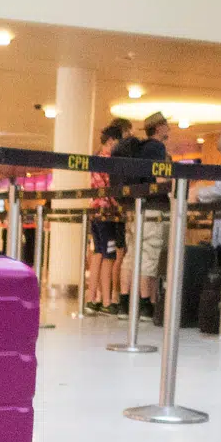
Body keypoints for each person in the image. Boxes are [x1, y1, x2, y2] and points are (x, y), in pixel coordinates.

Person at [116, 112, 173, 322]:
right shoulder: (157, 148)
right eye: (166, 124)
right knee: (149, 255)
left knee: (132, 255)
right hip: (152, 207)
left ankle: (124, 303)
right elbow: (160, 177)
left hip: (133, 207)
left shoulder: (139, 148)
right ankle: (145, 304)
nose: (169, 127)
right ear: (159, 128)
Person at [87, 123, 126, 315]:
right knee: (109, 256)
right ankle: (107, 300)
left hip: (95, 212)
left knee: (98, 254)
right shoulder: (108, 161)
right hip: (107, 213)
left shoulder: (95, 158)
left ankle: (92, 297)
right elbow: (110, 189)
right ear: (111, 142)